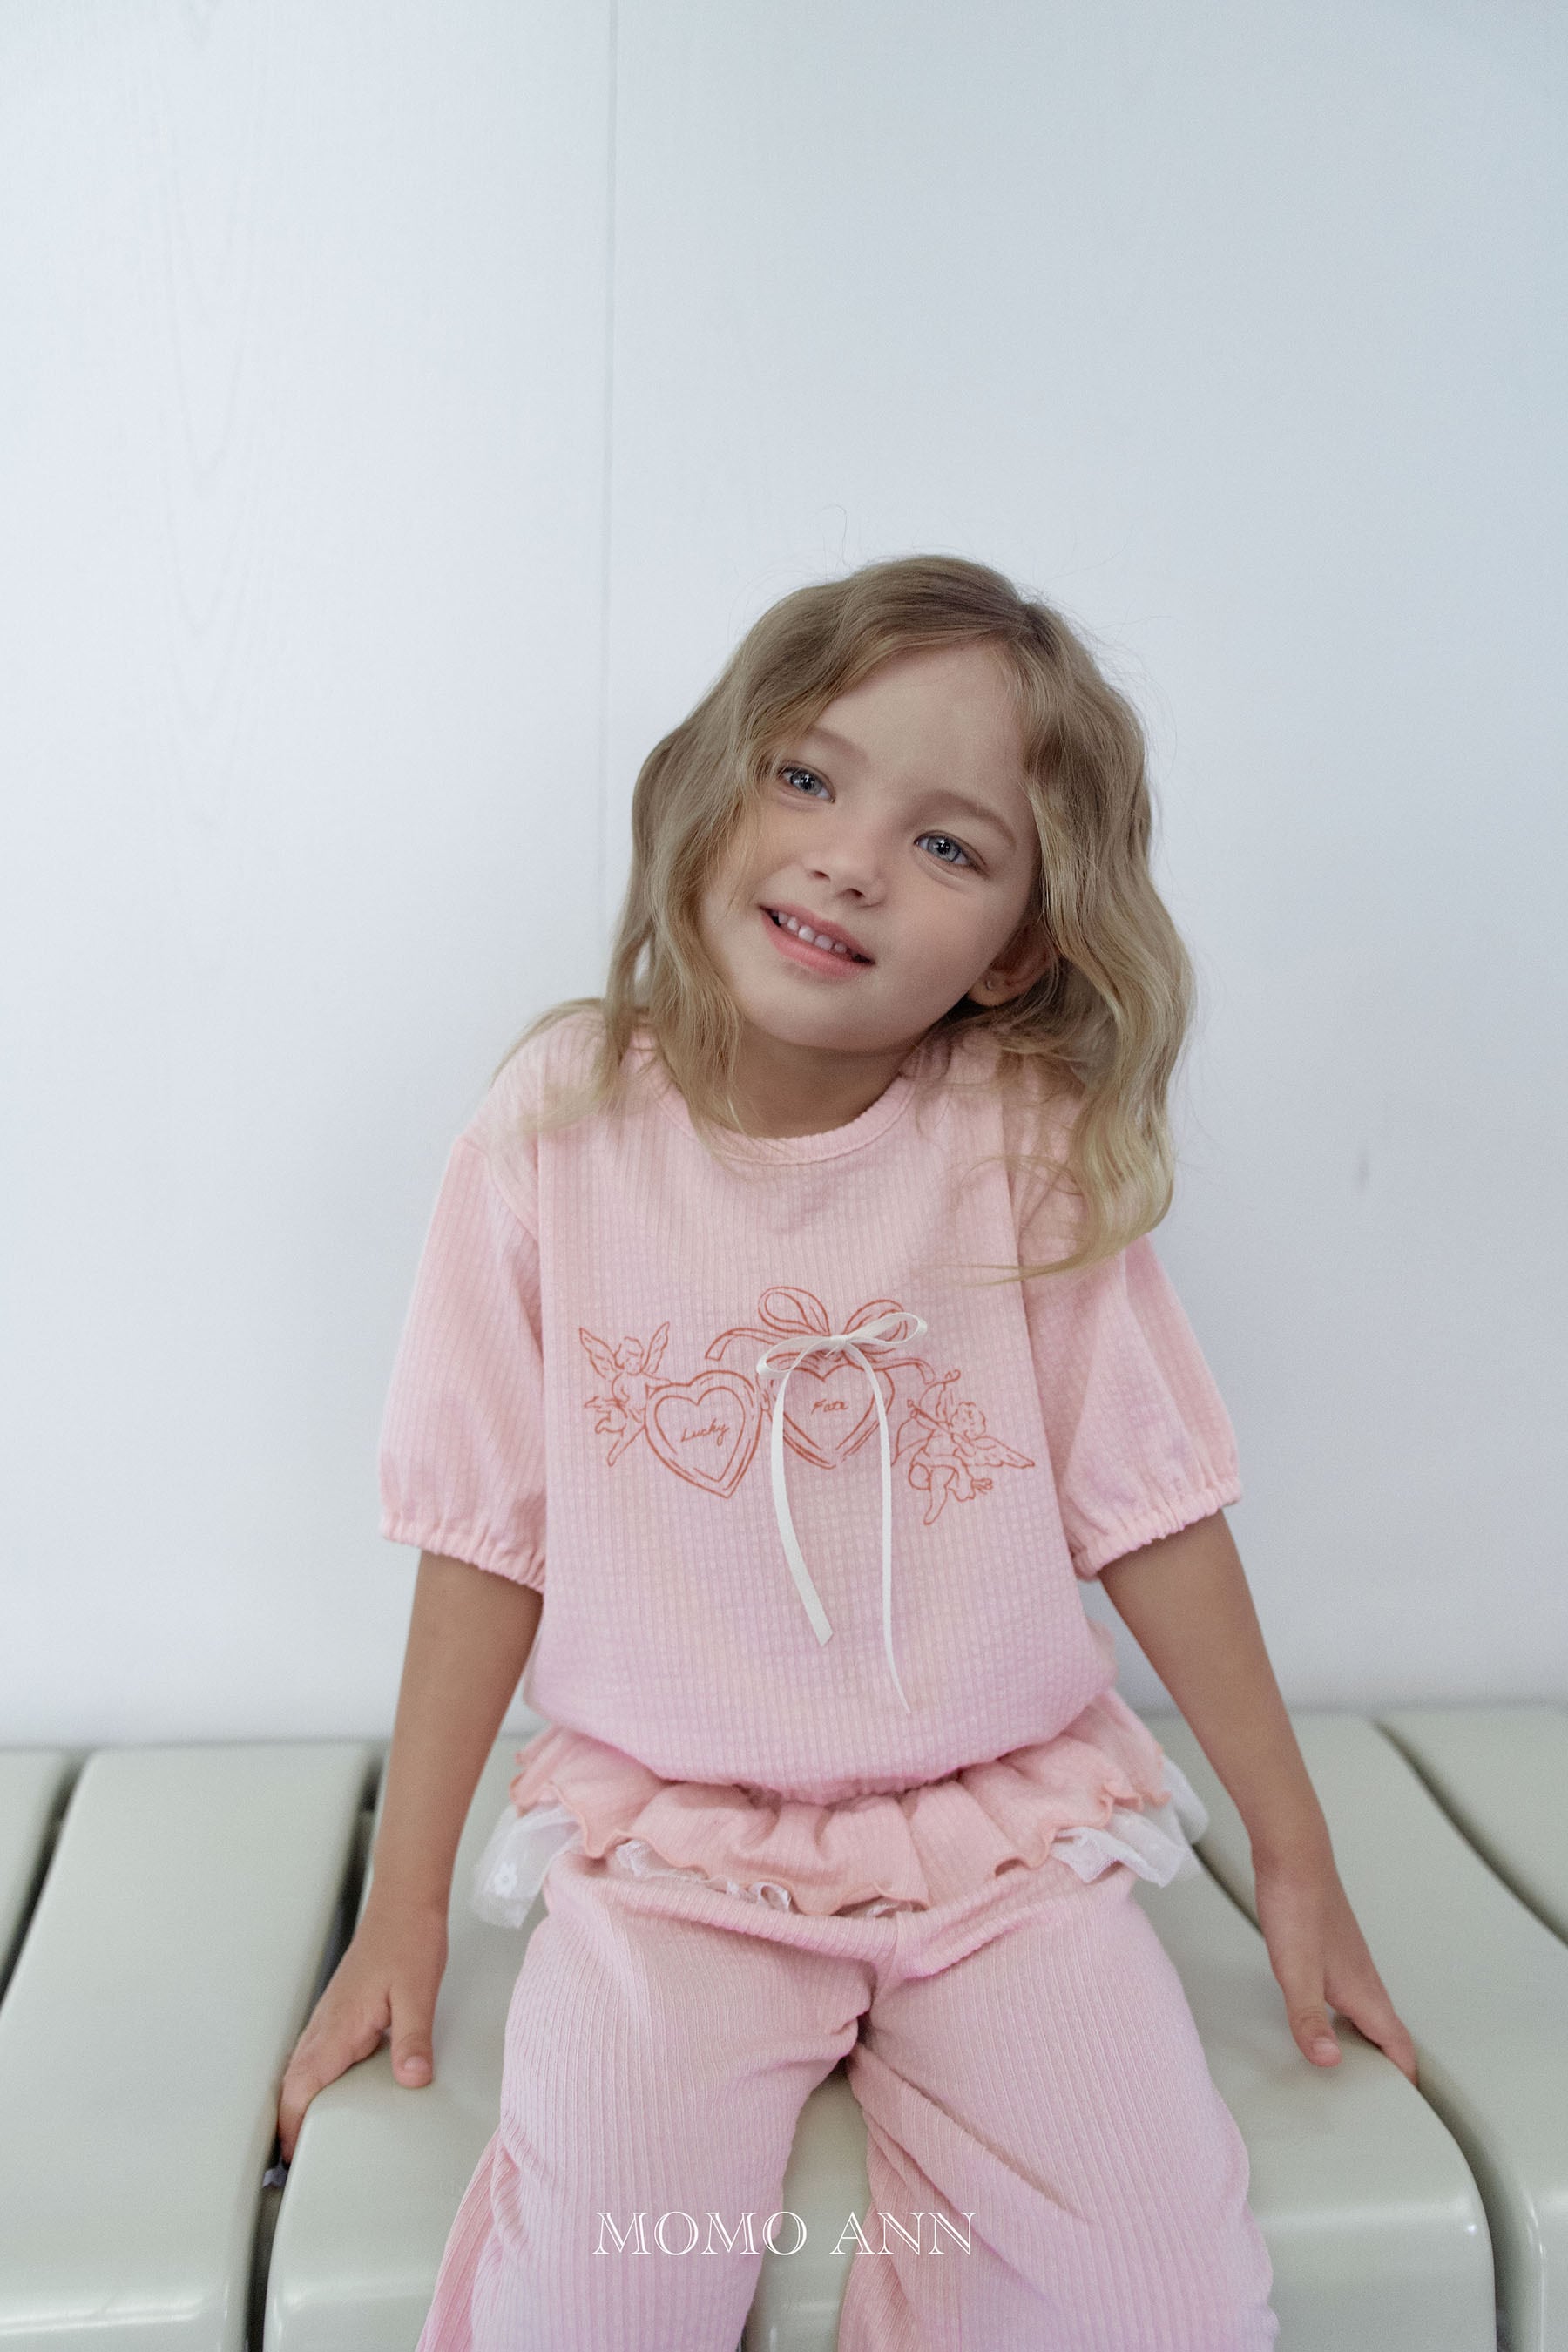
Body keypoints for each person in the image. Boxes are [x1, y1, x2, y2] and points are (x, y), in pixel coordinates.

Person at [277, 555, 1417, 2350]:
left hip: (1000, 1852)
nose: (851, 860)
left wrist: (1293, 1846)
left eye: (949, 844)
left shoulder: (1020, 1145)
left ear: (1020, 946)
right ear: (714, 785)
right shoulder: (559, 1126)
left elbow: (1151, 1506)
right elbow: (486, 1534)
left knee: (1161, 2294)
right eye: (807, 777)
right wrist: (399, 1909)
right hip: (679, 1855)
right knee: (595, 2299)